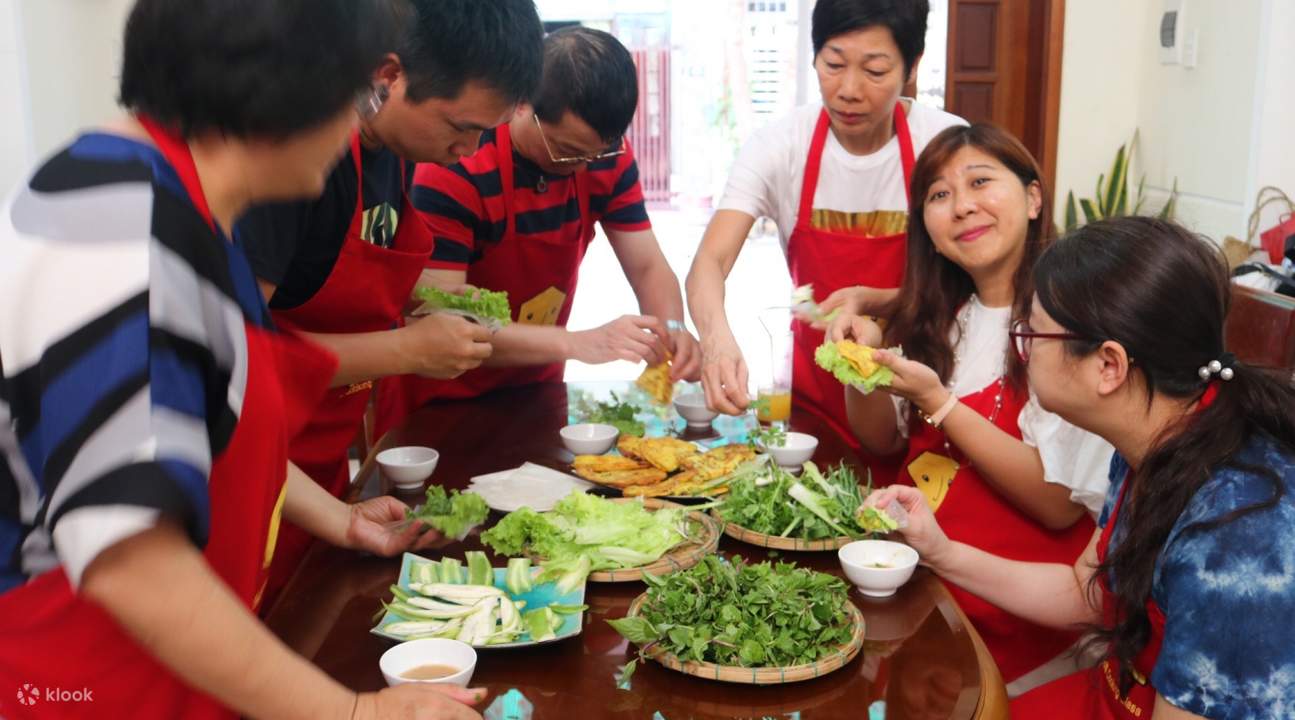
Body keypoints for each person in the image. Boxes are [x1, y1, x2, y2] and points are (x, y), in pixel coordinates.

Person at [0, 2, 480, 718]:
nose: (355, 125)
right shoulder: (117, 226)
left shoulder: (178, 211)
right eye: (355, 95)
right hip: (90, 688)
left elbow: (192, 434)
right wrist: (358, 713)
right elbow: (132, 561)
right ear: (284, 92)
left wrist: (339, 519)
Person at [864, 216, 1295, 719]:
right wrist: (939, 550)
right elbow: (1085, 592)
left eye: (1032, 333)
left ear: (1108, 366)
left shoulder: (1237, 541)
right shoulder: (1156, 433)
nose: (1022, 351)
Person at [234, 0, 545, 603]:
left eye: (487, 131)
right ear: (387, 77)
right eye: (461, 128)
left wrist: (337, 515)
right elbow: (234, 365)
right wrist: (406, 350)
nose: (472, 150)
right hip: (246, 478)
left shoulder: (395, 152)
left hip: (311, 477)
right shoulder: (293, 160)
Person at [831, 124, 1111, 691]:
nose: (961, 206)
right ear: (927, 232)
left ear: (1034, 199)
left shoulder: (1072, 327)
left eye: (980, 181)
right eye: (938, 195)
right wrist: (856, 367)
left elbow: (1059, 502)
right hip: (926, 609)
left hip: (1026, 643)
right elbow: (883, 444)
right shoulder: (945, 318)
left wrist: (938, 400)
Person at [374, 26, 701, 433]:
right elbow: (445, 319)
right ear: (522, 104)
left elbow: (648, 266)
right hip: (439, 399)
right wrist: (581, 343)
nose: (582, 167)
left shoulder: (601, 156)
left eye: (595, 153)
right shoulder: (457, 166)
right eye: (566, 152)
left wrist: (672, 329)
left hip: (536, 392)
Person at [686, 0, 965, 450]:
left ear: (912, 66)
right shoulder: (780, 145)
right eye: (833, 64)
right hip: (815, 403)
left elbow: (979, 284)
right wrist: (716, 341)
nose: (849, 90)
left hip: (929, 397)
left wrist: (885, 302)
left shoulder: (947, 146)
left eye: (874, 71)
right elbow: (709, 261)